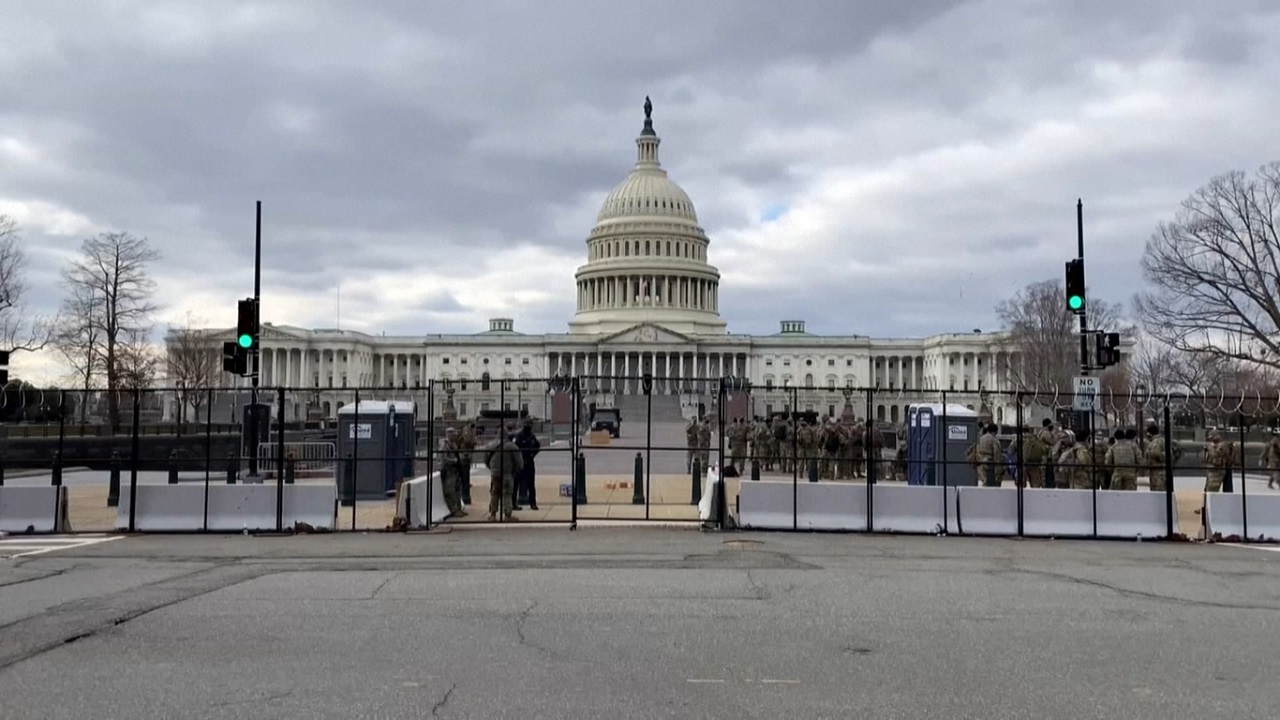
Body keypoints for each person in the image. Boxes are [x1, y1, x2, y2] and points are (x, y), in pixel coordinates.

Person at [484, 425, 524, 522]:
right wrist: (515, 470)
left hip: (495, 473)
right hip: (507, 473)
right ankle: (507, 514)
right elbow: (519, 463)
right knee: (507, 493)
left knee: (494, 493)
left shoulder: (490, 445)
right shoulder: (511, 446)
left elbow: (486, 460)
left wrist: (492, 468)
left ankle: (493, 514)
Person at [437, 427, 466, 517]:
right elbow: (443, 458)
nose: (455, 436)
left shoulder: (453, 444)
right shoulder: (445, 445)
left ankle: (459, 508)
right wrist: (454, 460)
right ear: (449, 435)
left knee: (457, 490)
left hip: (455, 470)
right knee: (450, 491)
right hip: (448, 470)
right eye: (454, 435)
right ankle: (454, 510)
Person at [513, 422, 541, 511]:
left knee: (531, 484)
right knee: (516, 484)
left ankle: (533, 503)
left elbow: (537, 446)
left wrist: (532, 455)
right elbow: (515, 448)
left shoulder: (531, 436)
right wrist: (519, 458)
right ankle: (513, 503)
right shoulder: (519, 436)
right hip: (520, 462)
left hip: (529, 461)